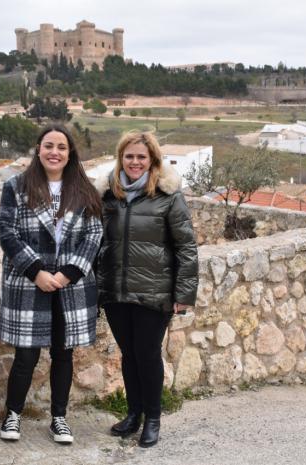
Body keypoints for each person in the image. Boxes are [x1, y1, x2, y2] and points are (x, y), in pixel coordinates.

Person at [0, 125, 102, 445]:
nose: (54, 152)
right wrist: (37, 271)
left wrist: (69, 272)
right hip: (30, 283)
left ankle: (59, 418)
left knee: (63, 354)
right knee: (25, 356)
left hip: (71, 286)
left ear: (70, 154)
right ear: (38, 149)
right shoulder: (16, 186)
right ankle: (12, 414)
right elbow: (7, 233)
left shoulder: (84, 190)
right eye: (48, 145)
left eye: (61, 147)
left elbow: (94, 235)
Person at [95, 131, 198, 448]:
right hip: (116, 291)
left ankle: (153, 419)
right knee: (129, 355)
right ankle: (133, 414)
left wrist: (183, 295)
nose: (135, 162)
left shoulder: (168, 196)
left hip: (154, 292)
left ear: (152, 159)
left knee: (148, 354)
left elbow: (186, 248)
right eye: (129, 156)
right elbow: (97, 241)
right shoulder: (109, 195)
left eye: (141, 156)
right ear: (120, 158)